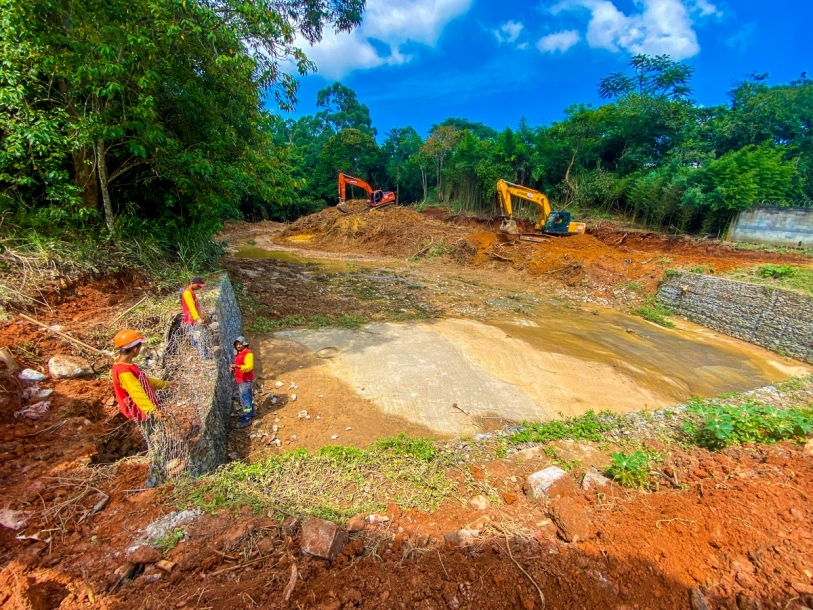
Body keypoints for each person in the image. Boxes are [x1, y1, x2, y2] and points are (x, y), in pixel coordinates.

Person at [110, 329, 171, 488]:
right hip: (143, 412)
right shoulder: (124, 371)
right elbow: (136, 392)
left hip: (146, 409)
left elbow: (143, 380)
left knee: (156, 437)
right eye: (139, 346)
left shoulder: (126, 366)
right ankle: (160, 472)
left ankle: (162, 463)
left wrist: (165, 385)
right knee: (155, 439)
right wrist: (152, 410)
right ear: (135, 349)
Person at [181, 276, 209, 359]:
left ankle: (205, 354)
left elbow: (196, 306)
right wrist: (197, 318)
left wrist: (202, 315)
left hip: (193, 320)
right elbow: (191, 307)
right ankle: (203, 356)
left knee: (200, 339)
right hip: (191, 321)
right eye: (198, 285)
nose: (200, 287)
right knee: (197, 339)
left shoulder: (191, 292)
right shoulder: (187, 293)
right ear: (192, 283)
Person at [231, 336, 255, 428]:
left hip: (245, 380)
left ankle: (247, 419)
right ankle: (251, 412)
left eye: (240, 344)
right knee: (247, 396)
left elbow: (249, 367)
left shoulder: (248, 354)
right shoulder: (239, 353)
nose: (238, 346)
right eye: (237, 344)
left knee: (244, 399)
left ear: (244, 344)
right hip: (241, 379)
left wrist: (238, 367)